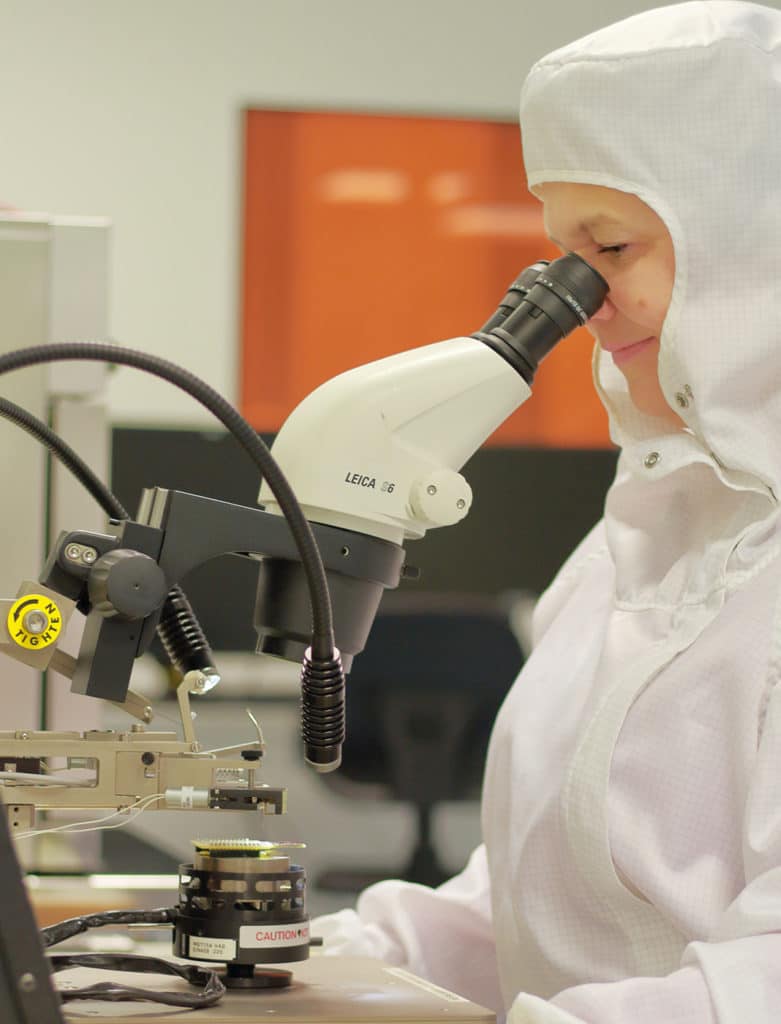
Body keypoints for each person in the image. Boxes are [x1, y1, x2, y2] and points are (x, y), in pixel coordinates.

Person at [313, 2, 781, 1021]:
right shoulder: (636, 536)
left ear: (754, 247)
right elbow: (530, 906)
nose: (576, 301)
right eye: (562, 253)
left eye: (609, 247)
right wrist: (298, 958)